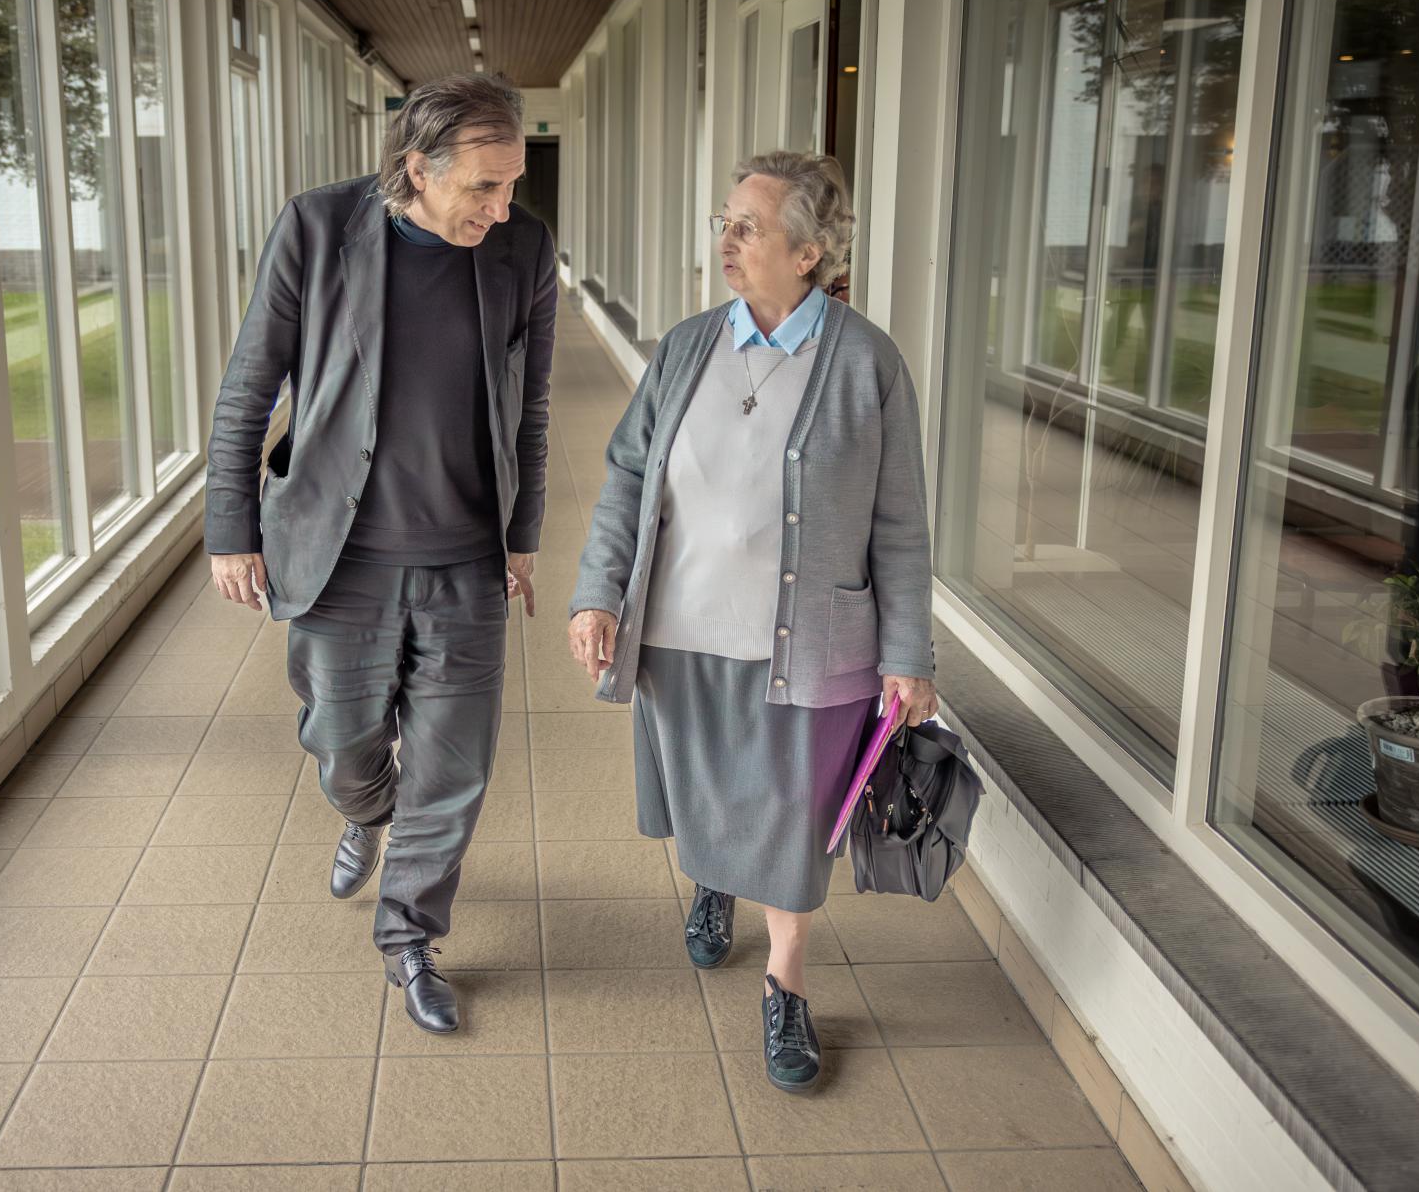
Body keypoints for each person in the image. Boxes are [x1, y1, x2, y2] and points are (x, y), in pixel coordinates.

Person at [567, 151, 938, 1092]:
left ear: (810, 252)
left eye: (749, 227)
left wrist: (908, 655)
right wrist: (597, 592)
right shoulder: (688, 346)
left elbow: (899, 524)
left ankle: (785, 986)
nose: (727, 242)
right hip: (680, 632)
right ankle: (713, 881)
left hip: (811, 646)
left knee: (788, 814)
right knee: (705, 786)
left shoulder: (866, 363)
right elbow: (625, 476)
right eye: (723, 223)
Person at [206, 74, 557, 1034]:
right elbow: (248, 388)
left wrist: (522, 537)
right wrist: (229, 528)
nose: (501, 207)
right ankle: (365, 814)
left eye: (511, 184)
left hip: (464, 559)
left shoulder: (522, 247)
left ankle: (409, 938)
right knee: (344, 747)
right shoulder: (319, 229)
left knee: (453, 770)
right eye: (481, 187)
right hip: (339, 554)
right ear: (417, 167)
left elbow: (529, 403)